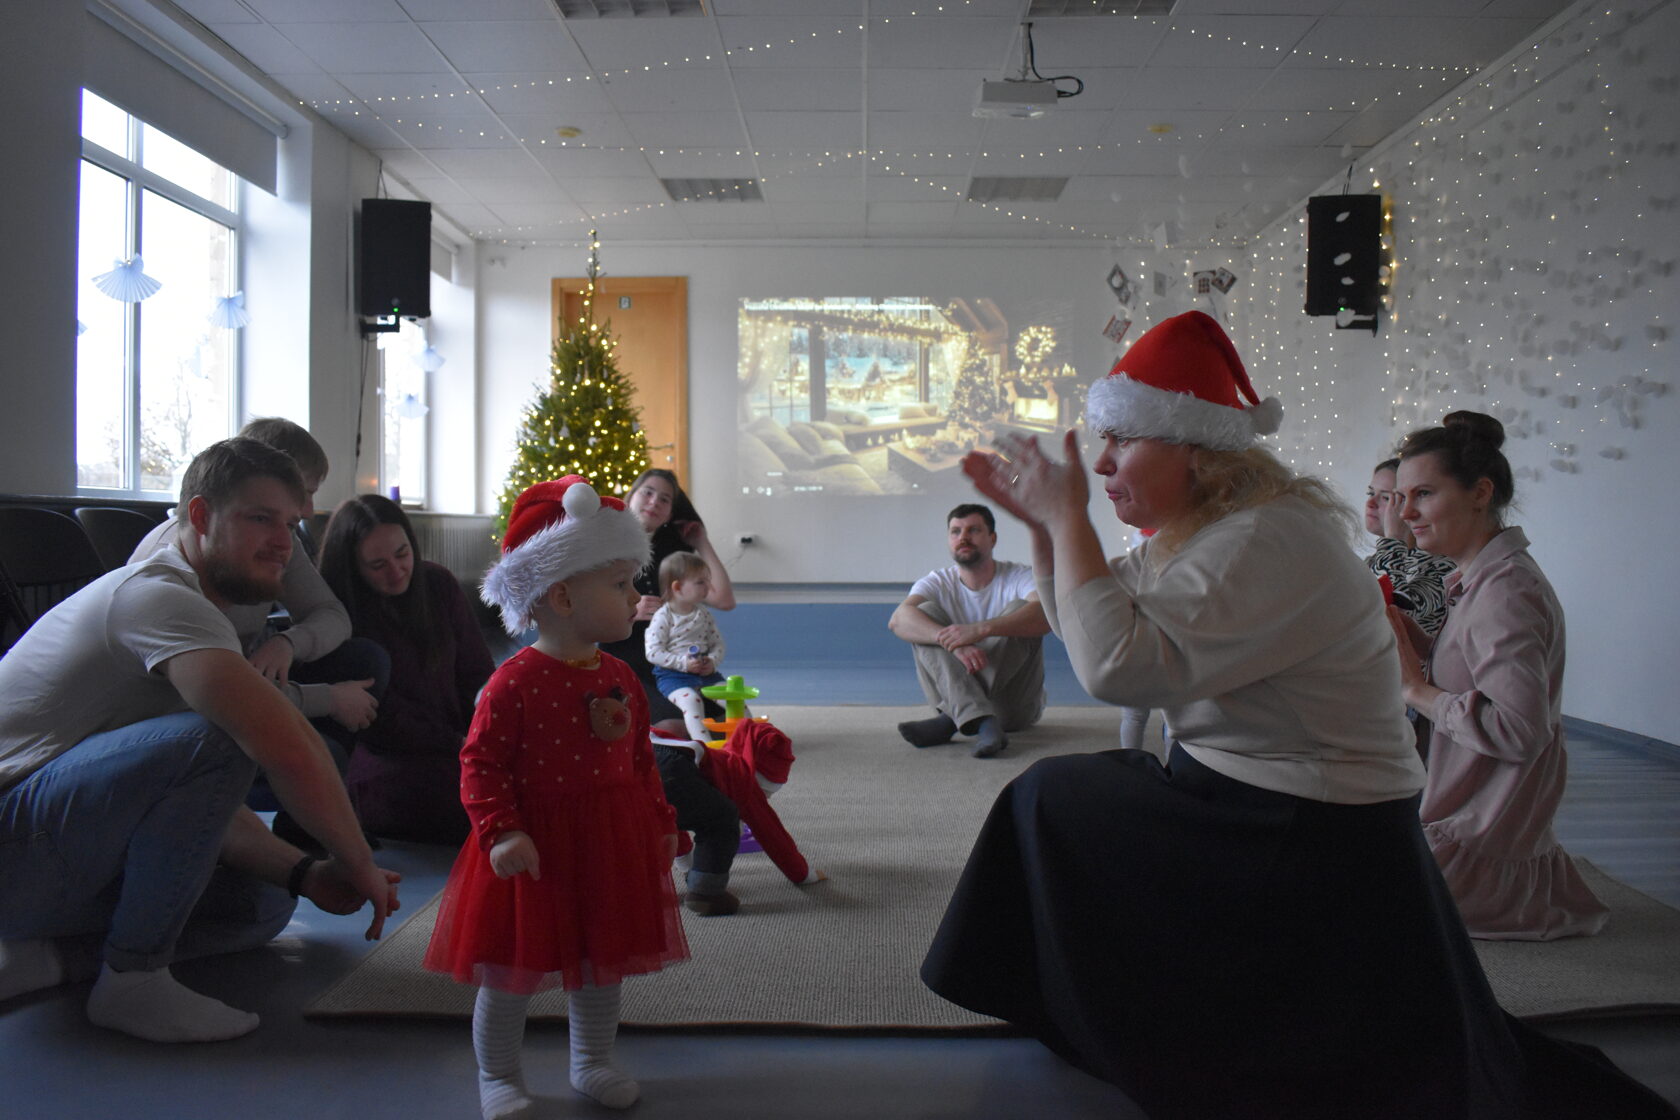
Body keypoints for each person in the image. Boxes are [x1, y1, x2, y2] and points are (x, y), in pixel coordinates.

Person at [919, 311, 1672, 1119]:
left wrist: (1067, 519)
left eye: (1123, 440)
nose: (1102, 462)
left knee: (1054, 801)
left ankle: (1137, 1028)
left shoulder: (1263, 540)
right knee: (1063, 797)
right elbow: (1085, 618)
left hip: (1310, 833)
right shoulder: (1205, 530)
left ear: (1197, 449)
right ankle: (1109, 1018)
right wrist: (1046, 528)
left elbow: (1116, 669)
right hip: (1249, 798)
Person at [0, 438, 399, 1043]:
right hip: (15, 837)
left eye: (290, 523)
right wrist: (358, 861)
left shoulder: (199, 610)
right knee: (225, 736)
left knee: (268, 902)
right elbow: (281, 742)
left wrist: (309, 873)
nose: (283, 542)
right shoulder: (157, 596)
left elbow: (197, 799)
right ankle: (134, 977)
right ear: (200, 516)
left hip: (56, 842)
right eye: (260, 518)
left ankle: (44, 959)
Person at [423, 477, 687, 1119]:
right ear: (563, 596)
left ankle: (592, 1060)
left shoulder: (620, 674)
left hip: (606, 840)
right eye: (620, 585)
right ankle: (498, 1074)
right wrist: (501, 830)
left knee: (601, 962)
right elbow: (480, 764)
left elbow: (639, 760)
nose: (635, 597)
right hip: (534, 849)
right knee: (510, 972)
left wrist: (661, 821)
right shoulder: (511, 683)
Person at [1388, 411, 1608, 941]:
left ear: (1480, 492)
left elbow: (1518, 730)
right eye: (1401, 497)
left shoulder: (1505, 591)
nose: (1407, 513)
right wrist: (1413, 641)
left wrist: (1415, 689)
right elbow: (1474, 676)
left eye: (1423, 494)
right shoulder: (1484, 578)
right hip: (1475, 812)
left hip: (1480, 831)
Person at [129, 417, 387, 780]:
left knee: (365, 660)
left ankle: (306, 780)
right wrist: (327, 698)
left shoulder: (278, 538)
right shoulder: (170, 569)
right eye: (302, 492)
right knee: (322, 757)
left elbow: (331, 614)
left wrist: (288, 643)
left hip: (240, 681)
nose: (309, 510)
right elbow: (210, 693)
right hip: (185, 710)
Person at [604, 468, 744, 917]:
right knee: (672, 730)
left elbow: (723, 599)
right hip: (617, 660)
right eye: (647, 492)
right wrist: (627, 609)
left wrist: (702, 542)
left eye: (664, 499)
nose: (654, 502)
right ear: (630, 496)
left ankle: (702, 818)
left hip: (669, 665)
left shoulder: (670, 553)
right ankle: (680, 826)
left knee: (723, 727)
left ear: (670, 512)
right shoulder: (604, 542)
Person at [317, 495, 496, 845]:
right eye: (378, 565)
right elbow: (382, 720)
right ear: (354, 567)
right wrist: (456, 743)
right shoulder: (342, 613)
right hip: (393, 764)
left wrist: (486, 732)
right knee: (487, 800)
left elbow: (477, 671)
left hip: (461, 745)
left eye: (402, 554)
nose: (397, 571)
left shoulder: (438, 584)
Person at [888, 503, 1050, 758]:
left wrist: (981, 630)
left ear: (992, 538)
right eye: (956, 531)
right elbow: (898, 620)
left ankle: (950, 721)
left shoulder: (1019, 576)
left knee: (1023, 610)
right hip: (951, 697)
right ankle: (981, 720)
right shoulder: (938, 581)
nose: (963, 537)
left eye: (973, 530)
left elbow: (1046, 617)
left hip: (1012, 710)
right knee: (923, 615)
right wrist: (953, 643)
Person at [645, 550, 731, 743]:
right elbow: (653, 652)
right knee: (692, 701)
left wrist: (712, 661)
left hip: (706, 675)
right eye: (701, 582)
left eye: (707, 581)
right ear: (677, 587)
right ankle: (705, 746)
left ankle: (750, 738)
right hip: (674, 677)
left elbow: (717, 643)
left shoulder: (703, 614)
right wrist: (683, 664)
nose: (708, 587)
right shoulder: (663, 616)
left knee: (733, 697)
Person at [1365, 455, 1455, 636]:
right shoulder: (1370, 562)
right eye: (1370, 493)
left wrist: (1393, 539)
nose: (1370, 503)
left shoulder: (1442, 566)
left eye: (1386, 498)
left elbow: (1396, 614)